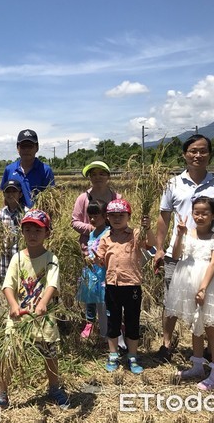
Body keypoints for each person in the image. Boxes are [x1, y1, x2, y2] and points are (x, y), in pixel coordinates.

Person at [153, 134, 214, 362]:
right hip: (179, 251)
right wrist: (160, 249)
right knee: (172, 299)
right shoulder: (172, 183)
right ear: (185, 154)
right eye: (193, 151)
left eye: (203, 151)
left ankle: (211, 349)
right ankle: (167, 343)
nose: (197, 155)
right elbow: (163, 218)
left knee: (209, 300)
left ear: (209, 154)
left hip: (209, 253)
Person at [0, 209, 69, 416]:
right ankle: (2, 394)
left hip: (43, 319)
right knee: (9, 356)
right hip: (19, 318)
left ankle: (54, 388)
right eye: (28, 230)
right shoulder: (17, 258)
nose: (32, 234)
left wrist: (43, 304)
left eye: (37, 231)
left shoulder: (51, 258)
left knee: (49, 355)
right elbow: (8, 285)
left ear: (47, 233)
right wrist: (13, 306)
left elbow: (52, 284)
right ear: (22, 232)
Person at [164, 197, 214, 390]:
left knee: (211, 328)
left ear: (213, 215)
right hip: (186, 282)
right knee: (195, 325)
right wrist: (179, 234)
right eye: (196, 212)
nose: (199, 216)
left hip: (207, 284)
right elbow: (176, 256)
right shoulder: (188, 233)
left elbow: (213, 263)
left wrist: (202, 288)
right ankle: (197, 366)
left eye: (204, 213)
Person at [96, 199, 154, 375]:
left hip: (132, 285)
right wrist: (93, 258)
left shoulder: (136, 234)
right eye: (113, 215)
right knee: (113, 321)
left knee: (132, 322)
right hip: (112, 285)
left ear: (128, 216)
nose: (117, 218)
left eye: (121, 215)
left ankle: (132, 355)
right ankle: (113, 354)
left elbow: (151, 244)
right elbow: (100, 259)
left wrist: (148, 227)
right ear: (107, 217)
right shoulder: (105, 237)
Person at [71, 160, 120, 339]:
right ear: (89, 177)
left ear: (108, 176)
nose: (97, 177)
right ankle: (90, 322)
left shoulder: (116, 197)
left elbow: (123, 219)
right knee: (91, 288)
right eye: (93, 174)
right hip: (89, 251)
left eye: (101, 173)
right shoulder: (83, 198)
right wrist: (92, 229)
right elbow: (75, 221)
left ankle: (112, 323)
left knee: (111, 289)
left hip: (113, 252)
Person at [76, 200, 110, 341]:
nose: (93, 219)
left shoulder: (108, 233)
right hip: (91, 272)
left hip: (103, 272)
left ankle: (108, 328)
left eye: (96, 216)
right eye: (90, 216)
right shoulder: (91, 233)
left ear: (105, 216)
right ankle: (90, 323)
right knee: (90, 299)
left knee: (104, 301)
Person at [0, 129, 55, 208]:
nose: (26, 150)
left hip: (37, 218)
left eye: (30, 146)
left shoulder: (45, 170)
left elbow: (51, 200)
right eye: (23, 146)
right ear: (17, 148)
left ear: (37, 148)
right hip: (14, 218)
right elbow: (6, 197)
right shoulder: (9, 170)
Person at [0, 179, 27, 282]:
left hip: (21, 256)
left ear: (20, 194)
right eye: (7, 192)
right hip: (6, 257)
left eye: (14, 191)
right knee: (7, 285)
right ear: (4, 194)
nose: (10, 194)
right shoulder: (2, 213)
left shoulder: (26, 213)